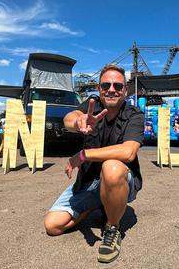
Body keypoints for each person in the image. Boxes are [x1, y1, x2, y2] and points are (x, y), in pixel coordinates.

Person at [43, 64, 144, 263]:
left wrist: (83, 155)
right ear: (99, 88)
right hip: (89, 182)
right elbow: (68, 118)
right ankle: (100, 202)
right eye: (106, 85)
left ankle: (112, 228)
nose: (111, 89)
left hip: (121, 180)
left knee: (112, 167)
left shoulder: (134, 115)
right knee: (52, 225)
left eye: (117, 85)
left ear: (125, 90)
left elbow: (128, 152)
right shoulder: (92, 105)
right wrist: (78, 121)